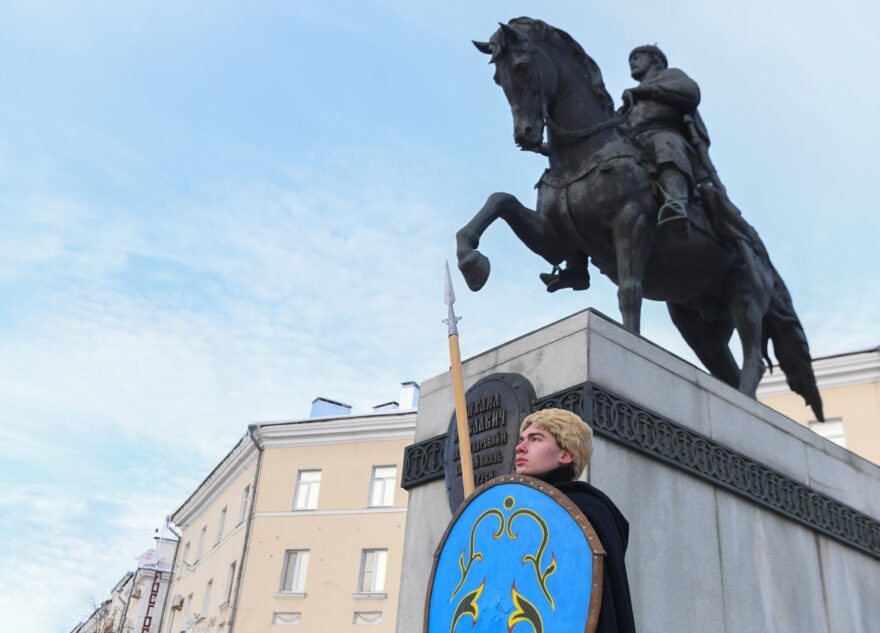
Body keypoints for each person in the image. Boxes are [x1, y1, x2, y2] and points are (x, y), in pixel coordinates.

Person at [516, 408, 637, 633]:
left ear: (565, 455)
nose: (520, 447)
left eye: (535, 439)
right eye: (522, 439)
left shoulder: (588, 510)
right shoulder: (519, 511)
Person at [621, 44, 709, 235]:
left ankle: (676, 203)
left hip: (664, 133)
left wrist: (645, 91)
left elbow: (690, 91)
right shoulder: (632, 96)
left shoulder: (671, 76)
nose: (632, 63)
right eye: (631, 60)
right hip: (633, 144)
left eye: (636, 58)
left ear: (654, 59)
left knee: (663, 142)